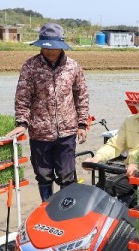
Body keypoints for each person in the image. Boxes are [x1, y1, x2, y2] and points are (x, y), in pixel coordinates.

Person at [7, 22, 89, 202]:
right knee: (43, 176)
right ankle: (46, 208)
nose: (50, 51)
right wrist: (22, 123)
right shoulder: (30, 67)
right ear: (41, 45)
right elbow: (22, 97)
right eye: (46, 47)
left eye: (54, 48)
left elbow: (81, 95)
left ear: (61, 46)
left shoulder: (73, 67)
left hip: (67, 131)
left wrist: (82, 124)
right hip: (40, 132)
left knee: (66, 175)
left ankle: (66, 211)